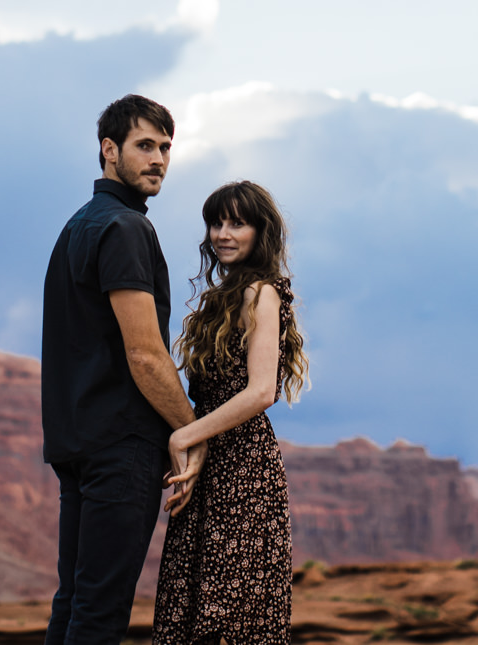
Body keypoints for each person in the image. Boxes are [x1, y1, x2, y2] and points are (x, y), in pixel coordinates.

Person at [42, 95, 205, 645]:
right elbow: (145, 354)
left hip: (77, 443)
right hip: (122, 446)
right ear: (109, 151)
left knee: (74, 603)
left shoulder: (76, 227)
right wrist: (190, 428)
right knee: (100, 613)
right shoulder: (126, 228)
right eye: (144, 145)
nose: (158, 158)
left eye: (165, 147)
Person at [152, 180, 309, 645]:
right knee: (196, 603)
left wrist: (185, 436)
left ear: (261, 232)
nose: (222, 233)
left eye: (237, 223)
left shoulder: (263, 293)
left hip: (243, 469)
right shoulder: (224, 295)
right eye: (216, 222)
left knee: (232, 614)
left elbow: (261, 391)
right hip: (215, 464)